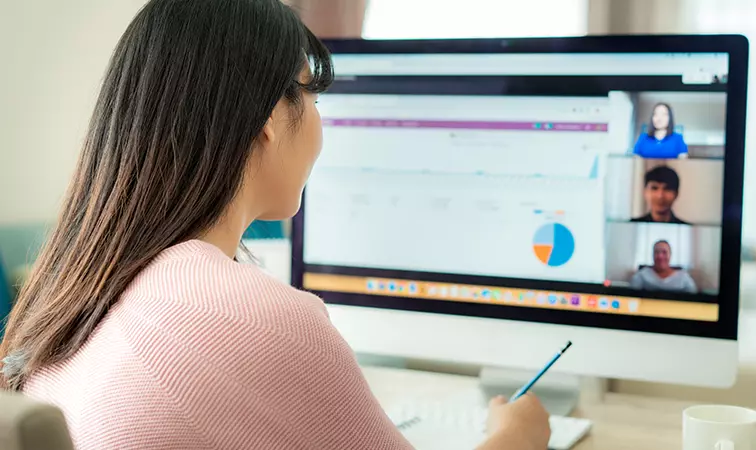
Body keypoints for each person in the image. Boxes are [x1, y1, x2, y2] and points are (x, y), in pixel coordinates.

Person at [0, 1, 551, 449]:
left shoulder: (83, 291)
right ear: (268, 118)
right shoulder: (255, 319)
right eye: (310, 95)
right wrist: (517, 440)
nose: (317, 122)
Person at [631, 240, 698, 294]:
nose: (660, 256)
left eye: (664, 252)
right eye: (656, 252)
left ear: (670, 255)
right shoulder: (641, 275)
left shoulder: (683, 277)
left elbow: (694, 299)